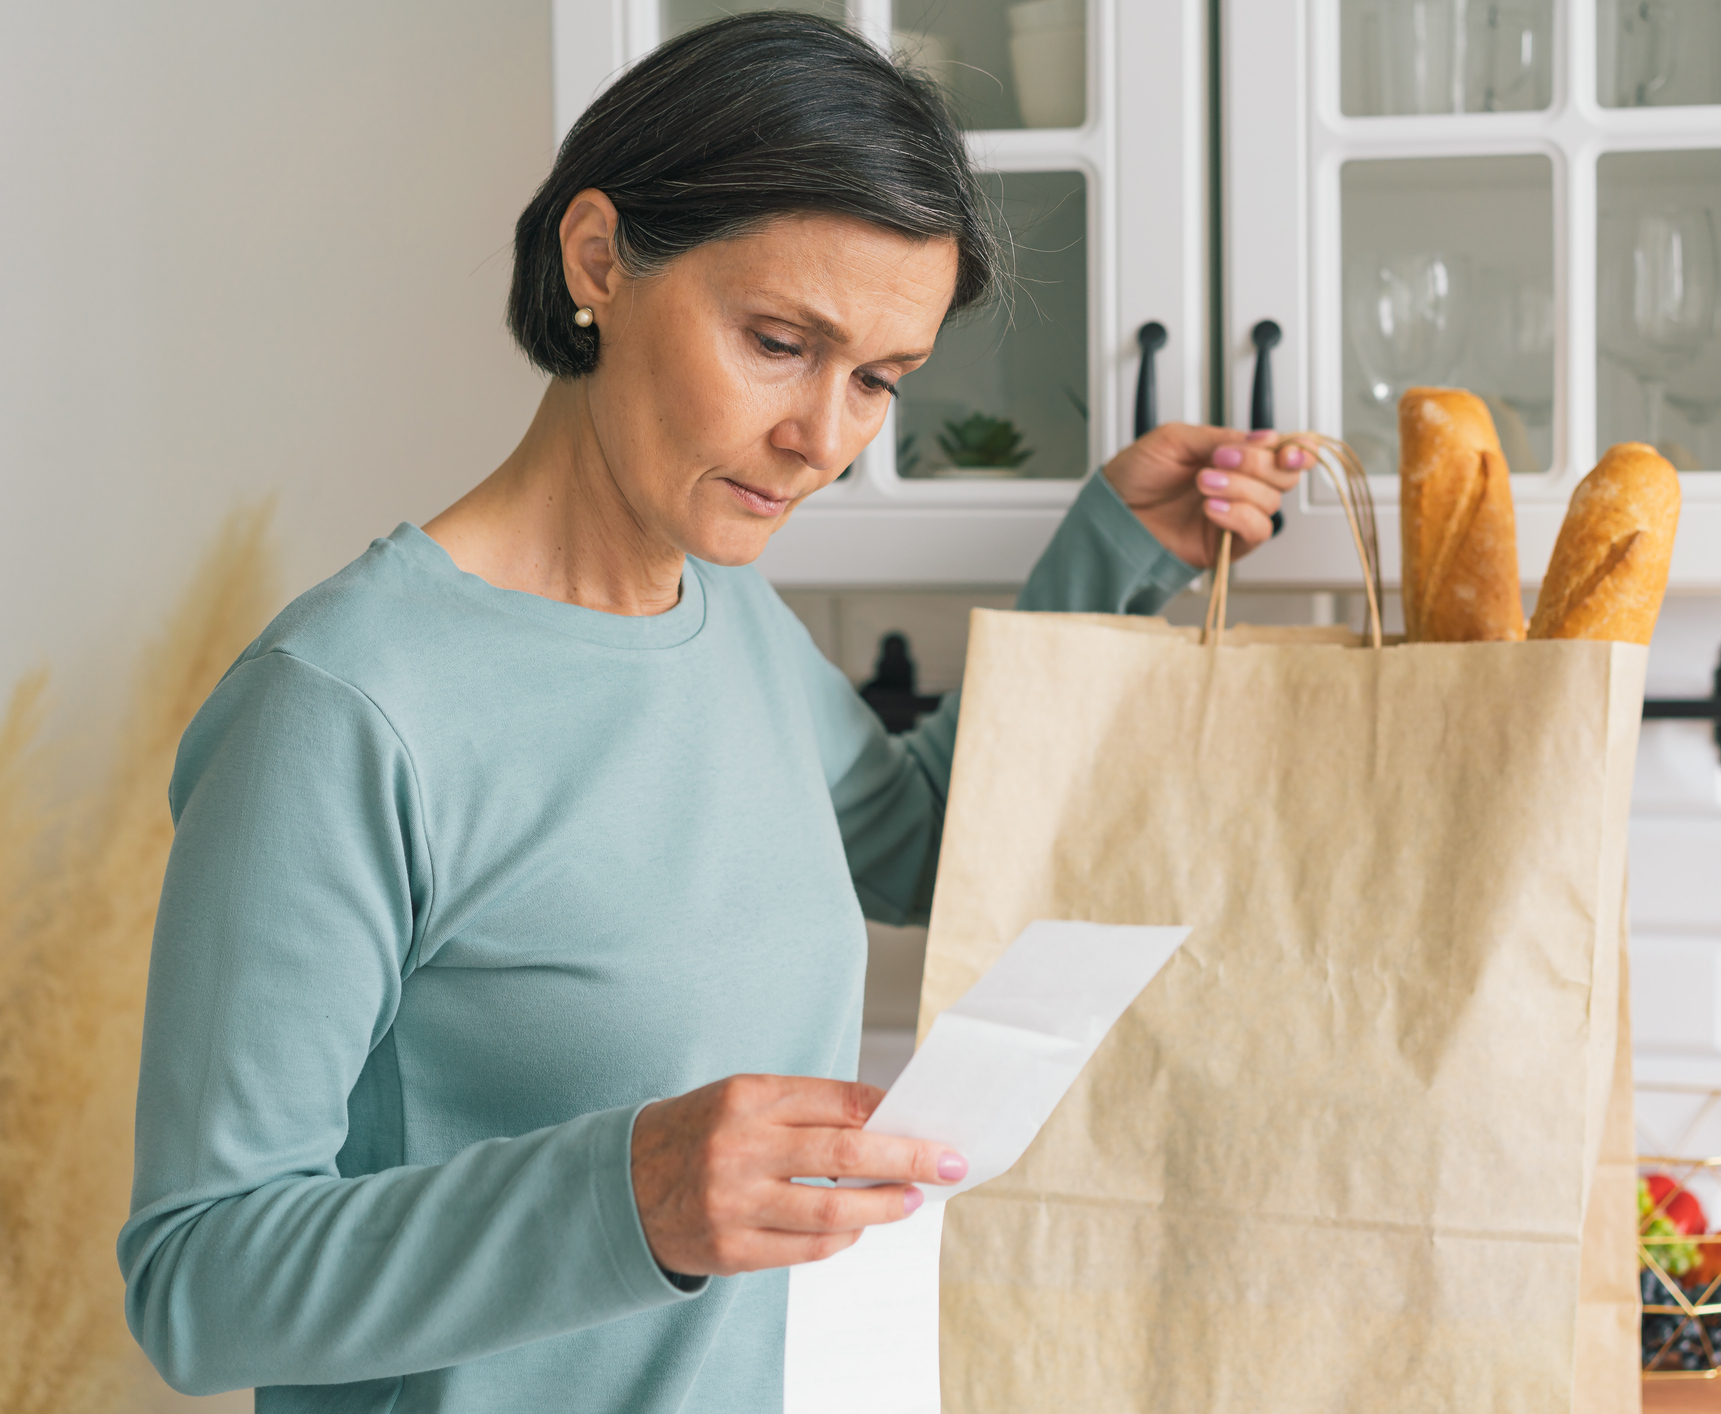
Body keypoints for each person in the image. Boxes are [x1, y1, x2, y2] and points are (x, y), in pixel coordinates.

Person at [119, 14, 1305, 1413]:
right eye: (778, 341)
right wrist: (633, 1191)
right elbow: (195, 1282)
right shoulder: (345, 709)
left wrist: (1114, 549)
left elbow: (916, 841)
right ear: (598, 260)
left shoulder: (725, 614)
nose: (826, 440)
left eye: (876, 379)